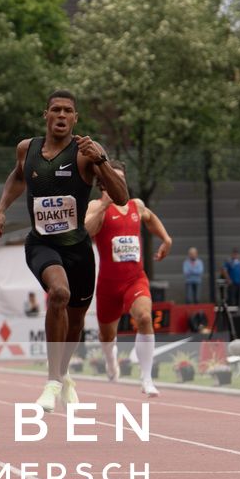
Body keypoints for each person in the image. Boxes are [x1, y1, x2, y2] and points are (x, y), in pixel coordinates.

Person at [0, 91, 127, 412]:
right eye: (55, 110)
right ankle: (52, 382)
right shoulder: (28, 148)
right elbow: (18, 176)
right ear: (46, 115)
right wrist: (0, 209)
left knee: (76, 322)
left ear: (75, 118)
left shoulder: (87, 153)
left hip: (78, 248)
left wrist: (102, 161)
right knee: (59, 294)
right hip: (42, 244)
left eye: (68, 111)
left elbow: (120, 198)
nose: (61, 116)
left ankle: (63, 376)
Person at [85, 166, 170, 398]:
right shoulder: (95, 207)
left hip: (135, 279)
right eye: (112, 178)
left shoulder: (136, 205)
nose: (117, 182)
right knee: (106, 337)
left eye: (121, 178)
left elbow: (151, 219)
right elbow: (85, 231)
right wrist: (103, 205)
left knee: (144, 317)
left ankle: (146, 379)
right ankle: (111, 362)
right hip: (108, 284)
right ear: (103, 183)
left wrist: (166, 239)